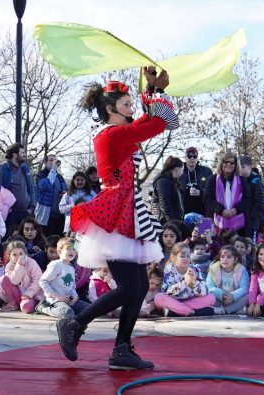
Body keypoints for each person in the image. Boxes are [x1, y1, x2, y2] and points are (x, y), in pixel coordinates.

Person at [57, 70, 177, 370]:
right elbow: (159, 123)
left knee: (136, 288)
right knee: (128, 288)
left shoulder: (119, 133)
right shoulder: (112, 134)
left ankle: (121, 348)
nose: (131, 108)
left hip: (128, 209)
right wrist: (156, 93)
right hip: (116, 212)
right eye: (125, 104)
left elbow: (147, 123)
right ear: (110, 109)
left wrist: (150, 88)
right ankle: (76, 324)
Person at [154, 242, 215, 317]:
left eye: (188, 256)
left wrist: (194, 283)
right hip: (173, 300)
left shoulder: (194, 269)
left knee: (211, 297)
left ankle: (177, 311)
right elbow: (167, 292)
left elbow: (204, 291)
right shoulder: (169, 270)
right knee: (158, 297)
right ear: (174, 258)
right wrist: (184, 283)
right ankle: (193, 312)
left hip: (190, 300)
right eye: (182, 256)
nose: (186, 258)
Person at [36, 238, 91, 318]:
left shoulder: (71, 268)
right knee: (67, 313)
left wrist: (75, 297)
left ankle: (68, 309)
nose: (72, 251)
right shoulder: (56, 265)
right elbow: (43, 281)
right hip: (56, 300)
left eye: (74, 249)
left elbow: (72, 287)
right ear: (59, 251)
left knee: (91, 310)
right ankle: (44, 308)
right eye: (68, 248)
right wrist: (56, 296)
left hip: (69, 301)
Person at [203, 152, 252, 236]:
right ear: (221, 163)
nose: (228, 164)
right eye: (226, 162)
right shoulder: (212, 179)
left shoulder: (241, 180)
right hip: (215, 221)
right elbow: (206, 200)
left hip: (239, 224)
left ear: (235, 165)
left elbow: (248, 200)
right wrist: (221, 210)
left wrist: (235, 210)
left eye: (232, 162)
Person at [0, 143, 35, 233]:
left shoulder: (25, 169)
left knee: (24, 242)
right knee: (9, 242)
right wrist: (7, 209)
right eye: (22, 152)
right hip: (10, 213)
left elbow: (31, 188)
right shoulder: (2, 169)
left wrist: (31, 208)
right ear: (15, 155)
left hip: (25, 213)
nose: (24, 155)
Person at [0, 241, 43, 314]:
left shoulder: (32, 263)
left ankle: (31, 304)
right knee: (3, 279)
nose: (18, 257)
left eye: (21, 254)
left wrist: (29, 293)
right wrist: (19, 266)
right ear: (9, 256)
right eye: (14, 254)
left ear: (25, 253)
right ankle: (12, 303)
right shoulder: (9, 266)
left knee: (26, 308)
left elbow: (38, 280)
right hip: (18, 294)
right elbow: (14, 281)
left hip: (32, 295)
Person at [206, 245, 250, 315]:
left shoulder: (241, 270)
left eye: (229, 257)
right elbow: (210, 286)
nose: (225, 259)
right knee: (208, 296)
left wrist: (232, 296)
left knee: (248, 297)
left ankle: (224, 310)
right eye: (222, 257)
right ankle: (235, 310)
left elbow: (245, 288)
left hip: (235, 299)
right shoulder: (213, 269)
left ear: (235, 260)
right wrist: (222, 295)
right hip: (219, 298)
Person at [35, 154, 68, 236]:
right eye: (51, 160)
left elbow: (66, 191)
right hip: (45, 216)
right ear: (45, 163)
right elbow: (46, 185)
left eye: (55, 160)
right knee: (45, 241)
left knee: (57, 242)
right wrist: (53, 169)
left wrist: (64, 194)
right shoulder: (41, 175)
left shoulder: (60, 177)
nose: (53, 162)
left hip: (59, 216)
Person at [179, 147, 213, 216]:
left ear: (197, 158)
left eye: (194, 156)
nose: (192, 158)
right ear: (185, 157)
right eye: (189, 156)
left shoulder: (206, 171)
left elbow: (212, 191)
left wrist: (200, 192)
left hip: (204, 212)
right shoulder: (179, 171)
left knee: (206, 227)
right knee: (185, 227)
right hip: (183, 213)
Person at [239, 156, 264, 236]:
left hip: (254, 219)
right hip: (240, 218)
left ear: (250, 167)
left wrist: (252, 215)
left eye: (242, 167)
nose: (240, 170)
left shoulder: (256, 181)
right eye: (238, 168)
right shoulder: (237, 181)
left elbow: (261, 201)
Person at [152, 156, 185, 224]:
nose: (182, 173)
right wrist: (171, 222)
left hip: (173, 221)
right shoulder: (163, 182)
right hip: (165, 223)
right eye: (182, 169)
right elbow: (164, 203)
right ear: (176, 169)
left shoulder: (172, 182)